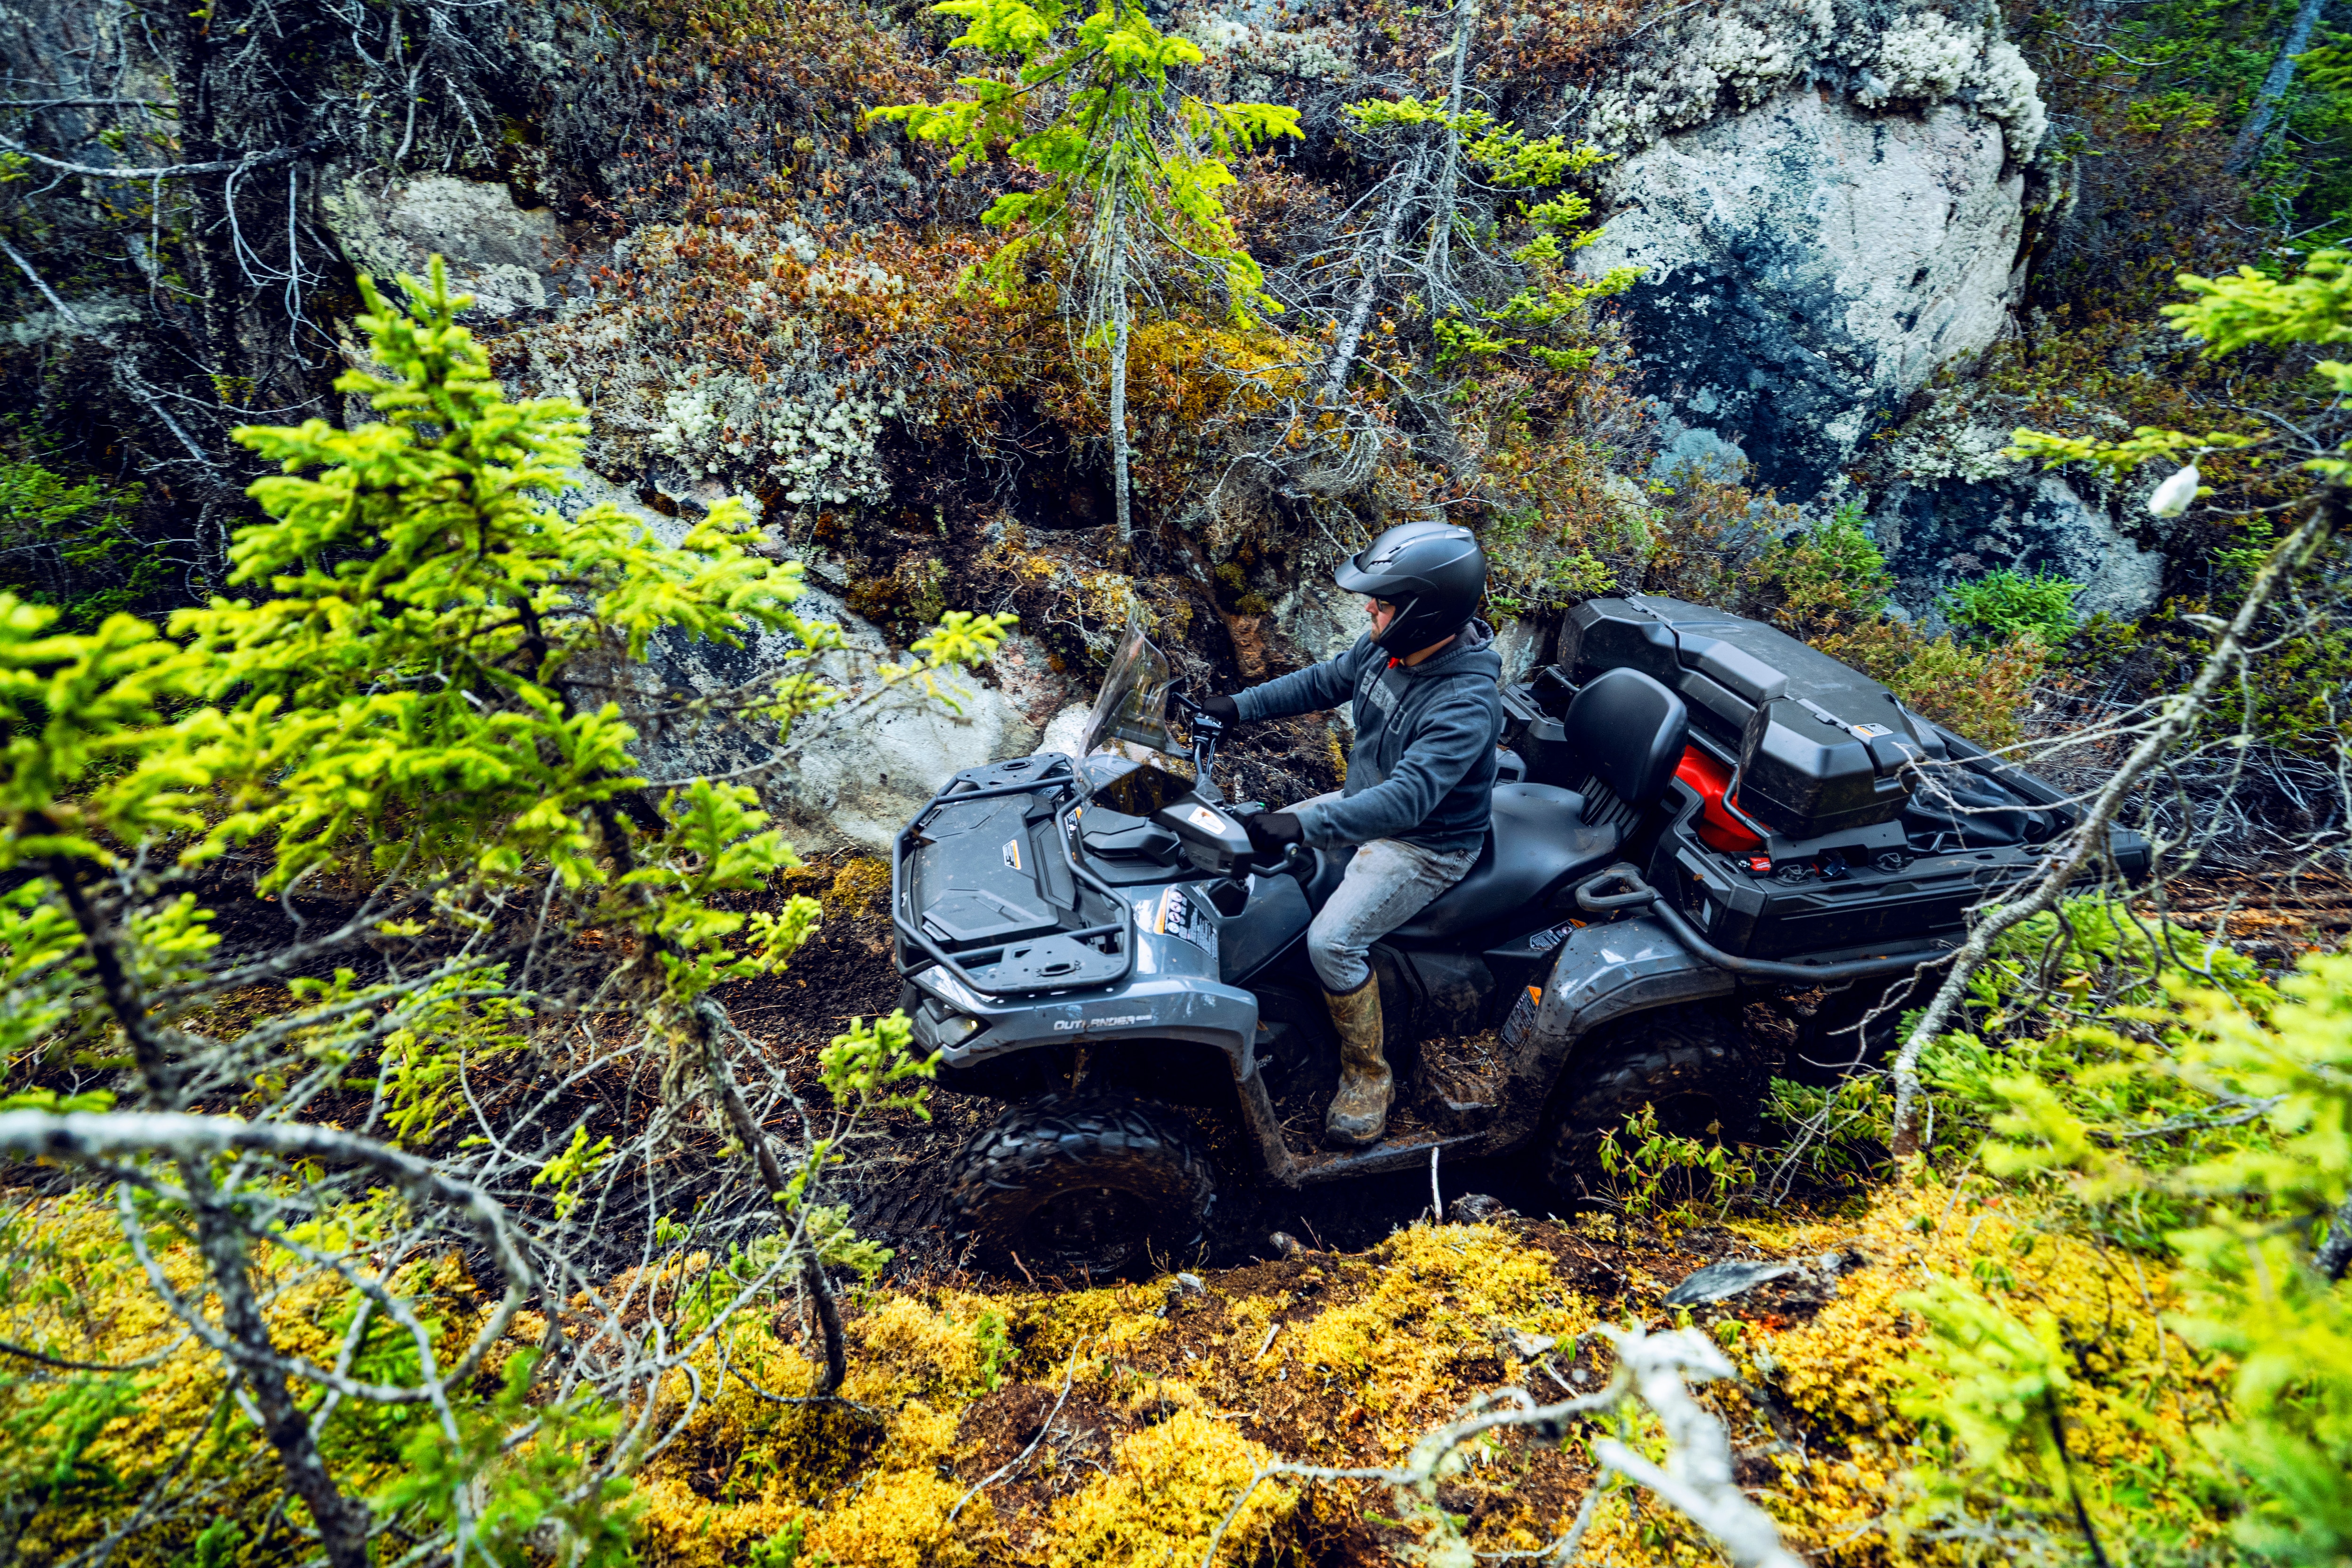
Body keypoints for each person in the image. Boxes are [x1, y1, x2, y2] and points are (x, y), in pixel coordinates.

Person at [1197, 520, 1500, 1148]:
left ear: (1423, 614)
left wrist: (1302, 823)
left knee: (1332, 942)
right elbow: (1324, 681)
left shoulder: (1464, 702)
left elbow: (1408, 801)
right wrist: (1238, 706)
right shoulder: (1389, 648)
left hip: (1426, 841)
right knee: (1249, 854)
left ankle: (1369, 1074)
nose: (1369, 607)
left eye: (1383, 601)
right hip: (1370, 797)